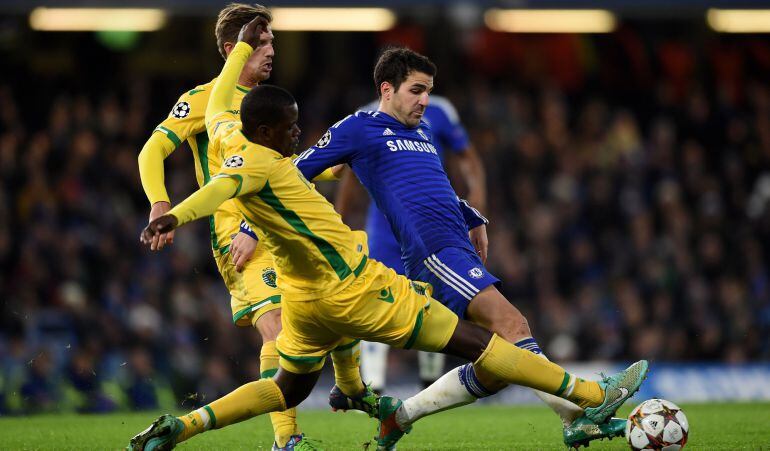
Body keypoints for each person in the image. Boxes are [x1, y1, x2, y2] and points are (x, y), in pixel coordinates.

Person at [127, 18, 648, 451]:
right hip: (358, 282)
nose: (296, 133)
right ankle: (584, 396)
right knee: (489, 338)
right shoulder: (290, 153)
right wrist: (175, 214)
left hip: (313, 297)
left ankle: (192, 425)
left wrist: (240, 47)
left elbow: (223, 109)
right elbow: (228, 185)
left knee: (287, 385)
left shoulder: (228, 124)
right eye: (290, 126)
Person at [292, 47, 626, 448]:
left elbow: (436, 188)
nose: (425, 101)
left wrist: (471, 215)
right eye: (416, 90)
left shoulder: (423, 132)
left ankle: (400, 416)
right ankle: (581, 404)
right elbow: (295, 172)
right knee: (513, 325)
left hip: (455, 241)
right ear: (387, 89)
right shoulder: (357, 128)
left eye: (429, 91)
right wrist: (249, 228)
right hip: (432, 251)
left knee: (497, 363)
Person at [135, 4, 371, 450]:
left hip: (279, 230)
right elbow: (151, 151)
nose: (271, 51)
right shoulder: (203, 100)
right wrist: (160, 204)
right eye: (261, 42)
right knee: (278, 328)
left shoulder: (268, 104)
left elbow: (279, 168)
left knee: (332, 309)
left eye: (272, 43)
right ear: (232, 49)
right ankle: (287, 439)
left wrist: (332, 167)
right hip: (236, 237)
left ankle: (350, 390)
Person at [335, 95, 487, 392]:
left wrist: (476, 203)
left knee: (432, 297)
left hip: (430, 222)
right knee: (375, 297)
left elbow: (467, 157)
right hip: (383, 225)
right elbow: (349, 175)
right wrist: (338, 218)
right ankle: (373, 388)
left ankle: (430, 384)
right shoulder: (364, 116)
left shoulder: (439, 110)